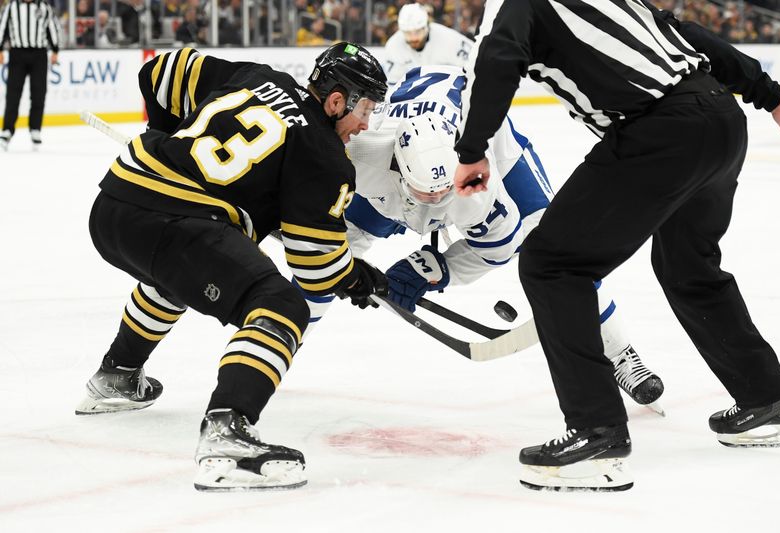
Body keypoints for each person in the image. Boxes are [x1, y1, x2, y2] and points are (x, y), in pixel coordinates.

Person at [453, 0, 780, 492]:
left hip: (659, 130)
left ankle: (598, 437)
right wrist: (770, 96)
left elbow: (498, 57)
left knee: (552, 264)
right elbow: (692, 36)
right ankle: (769, 403)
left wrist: (472, 150)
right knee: (689, 266)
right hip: (719, 118)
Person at [75, 43, 389, 491]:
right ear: (337, 100)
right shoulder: (323, 154)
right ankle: (228, 434)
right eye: (366, 108)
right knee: (282, 306)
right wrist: (355, 277)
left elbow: (161, 71)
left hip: (114, 205)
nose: (365, 124)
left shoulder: (260, 74)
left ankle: (118, 376)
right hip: (174, 222)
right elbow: (315, 267)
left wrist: (173, 137)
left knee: (176, 276)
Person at [300, 64, 665, 411]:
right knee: (330, 254)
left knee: (555, 247)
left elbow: (500, 245)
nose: (436, 206)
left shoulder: (473, 183)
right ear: (397, 168)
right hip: (406, 153)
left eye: (442, 194)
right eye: (427, 195)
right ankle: (280, 337)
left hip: (495, 145)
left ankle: (621, 354)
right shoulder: (360, 155)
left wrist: (434, 269)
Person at [0, 0, 60, 151]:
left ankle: (35, 129)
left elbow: (52, 28)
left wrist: (55, 50)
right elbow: (2, 27)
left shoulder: (44, 7)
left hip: (39, 54)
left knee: (38, 93)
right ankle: (7, 130)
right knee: (13, 94)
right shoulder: (11, 7)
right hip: (17, 53)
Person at [382, 3, 473, 84]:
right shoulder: (393, 46)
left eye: (418, 32)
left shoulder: (450, 39)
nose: (413, 38)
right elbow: (393, 84)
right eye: (408, 33)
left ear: (426, 26)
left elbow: (474, 65)